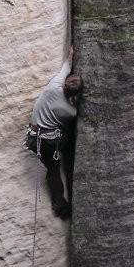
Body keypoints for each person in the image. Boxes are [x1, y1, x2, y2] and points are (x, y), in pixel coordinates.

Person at [24, 56, 82, 220]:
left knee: (52, 167)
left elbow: (65, 67)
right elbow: (70, 114)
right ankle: (60, 206)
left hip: (33, 138)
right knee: (54, 169)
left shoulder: (53, 86)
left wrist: (70, 56)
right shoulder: (70, 111)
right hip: (50, 142)